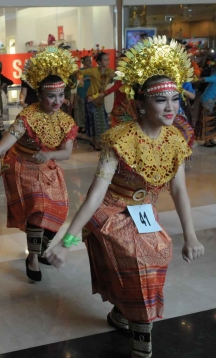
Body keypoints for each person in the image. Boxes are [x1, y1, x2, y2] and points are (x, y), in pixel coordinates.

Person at [47, 36, 205, 358]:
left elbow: (178, 190)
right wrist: (68, 240)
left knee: (160, 253)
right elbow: (95, 194)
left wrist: (190, 236)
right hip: (112, 211)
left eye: (175, 99)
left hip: (144, 213)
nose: (171, 107)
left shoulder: (176, 140)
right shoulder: (118, 140)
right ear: (141, 104)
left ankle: (123, 313)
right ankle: (141, 339)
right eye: (161, 101)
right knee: (139, 259)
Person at [0, 46, 78, 281]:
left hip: (47, 165)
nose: (56, 101)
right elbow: (2, 147)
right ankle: (33, 257)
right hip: (22, 164)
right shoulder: (27, 117)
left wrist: (49, 155)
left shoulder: (67, 120)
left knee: (60, 210)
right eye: (51, 96)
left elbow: (66, 153)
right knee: (38, 207)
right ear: (40, 95)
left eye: (60, 95)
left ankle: (40, 248)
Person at [81, 52, 115, 150]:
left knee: (102, 121)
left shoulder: (109, 71)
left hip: (100, 99)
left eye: (108, 59)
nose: (107, 61)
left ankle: (100, 141)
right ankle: (95, 142)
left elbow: (116, 77)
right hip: (91, 99)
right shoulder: (93, 71)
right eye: (105, 59)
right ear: (99, 62)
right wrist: (81, 79)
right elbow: (79, 72)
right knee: (94, 121)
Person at [195, 69, 216, 147]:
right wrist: (195, 79)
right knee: (207, 120)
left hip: (213, 101)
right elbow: (204, 79)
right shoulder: (215, 77)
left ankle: (211, 138)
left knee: (213, 121)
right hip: (207, 100)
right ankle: (206, 140)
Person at [74, 56, 92, 132]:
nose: (89, 62)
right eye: (87, 60)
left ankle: (88, 126)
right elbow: (80, 78)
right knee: (81, 109)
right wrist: (85, 78)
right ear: (83, 62)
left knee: (89, 110)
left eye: (90, 60)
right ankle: (81, 125)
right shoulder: (81, 70)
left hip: (90, 92)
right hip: (82, 91)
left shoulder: (94, 70)